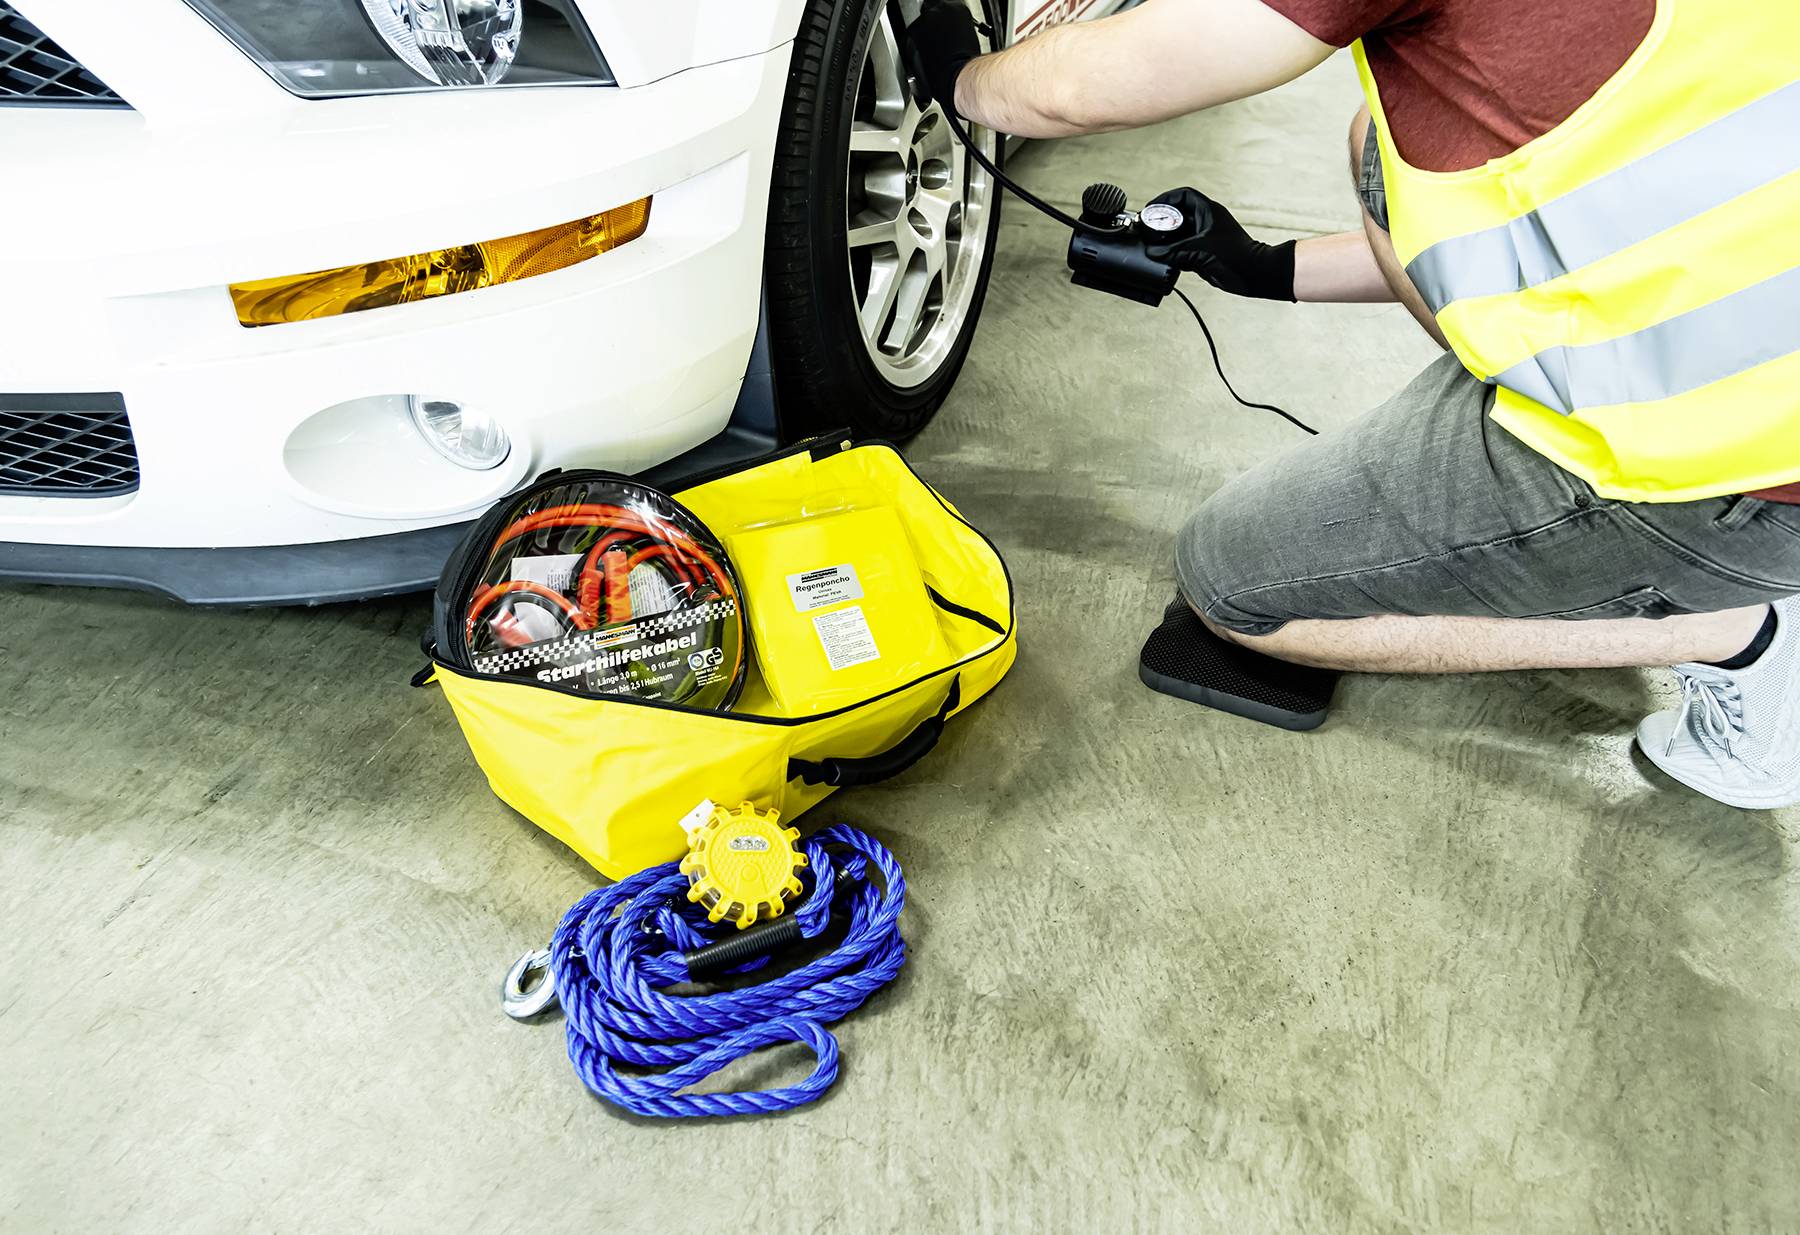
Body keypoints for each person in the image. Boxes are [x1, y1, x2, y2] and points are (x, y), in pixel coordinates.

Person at [903, 0, 1800, 809]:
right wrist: (1263, 270)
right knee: (1385, 139)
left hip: (1727, 463)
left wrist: (955, 72)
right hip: (1722, 324)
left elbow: (1060, 92)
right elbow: (1552, 190)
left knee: (1230, 586)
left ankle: (1733, 627)